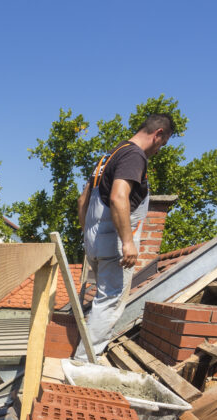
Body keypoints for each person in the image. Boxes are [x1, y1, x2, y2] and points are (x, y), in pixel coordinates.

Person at [75, 113, 175, 360]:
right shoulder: (134, 156)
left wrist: (88, 237)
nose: (159, 150)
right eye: (162, 144)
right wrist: (128, 241)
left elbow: (82, 201)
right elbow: (119, 197)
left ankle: (84, 356)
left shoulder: (109, 156)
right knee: (109, 303)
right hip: (114, 245)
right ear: (158, 134)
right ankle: (84, 363)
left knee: (100, 301)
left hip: (96, 241)